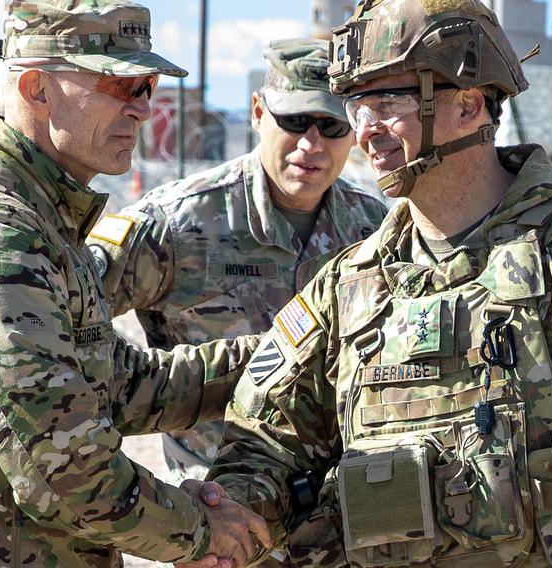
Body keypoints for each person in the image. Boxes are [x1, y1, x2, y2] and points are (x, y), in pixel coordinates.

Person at [200, 1, 552, 567]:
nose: (365, 132)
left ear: (469, 104)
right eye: (357, 106)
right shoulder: (351, 286)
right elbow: (265, 448)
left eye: (388, 101)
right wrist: (220, 516)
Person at [0, 1, 271, 567]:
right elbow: (62, 471)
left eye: (147, 86)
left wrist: (279, 358)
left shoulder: (43, 218)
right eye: (120, 83)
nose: (141, 109)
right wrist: (200, 529)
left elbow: (120, 385)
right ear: (37, 88)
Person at [86, 38, 387, 493]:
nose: (311, 143)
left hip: (338, 513)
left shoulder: (375, 232)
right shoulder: (179, 224)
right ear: (258, 113)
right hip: (223, 514)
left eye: (331, 126)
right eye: (295, 121)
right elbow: (67, 315)